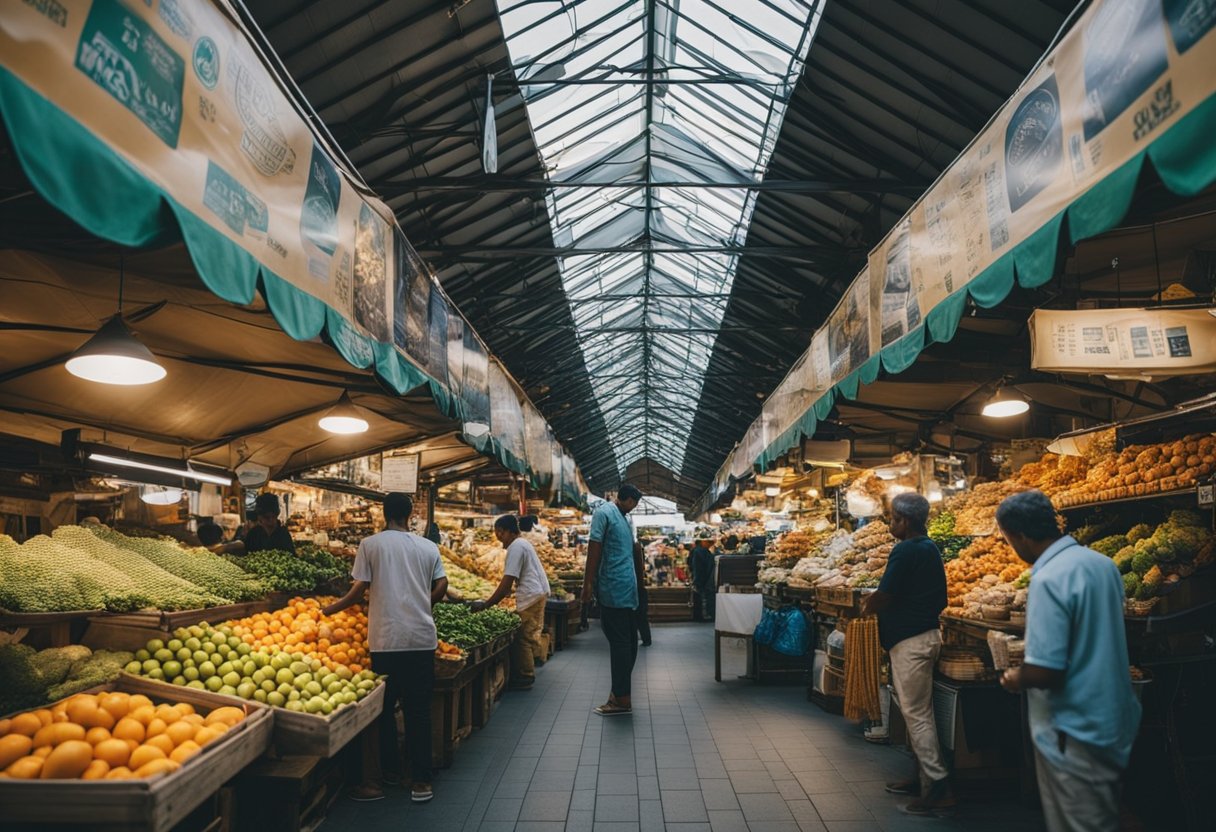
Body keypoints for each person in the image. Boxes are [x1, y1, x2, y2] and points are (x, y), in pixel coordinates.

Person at [996, 490, 1141, 832]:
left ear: (1019, 535)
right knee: (1103, 813)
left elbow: (1046, 669)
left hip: (1073, 727)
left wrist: (1015, 678)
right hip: (1114, 716)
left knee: (1080, 822)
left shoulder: (1049, 579)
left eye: (1007, 539)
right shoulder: (1101, 564)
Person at [323, 493, 448, 804]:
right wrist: (424, 602)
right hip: (421, 639)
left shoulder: (371, 545)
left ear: (384, 514)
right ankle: (421, 782)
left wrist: (329, 610)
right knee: (419, 711)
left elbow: (357, 591)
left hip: (386, 641)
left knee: (383, 712)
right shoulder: (428, 546)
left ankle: (387, 775)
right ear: (409, 515)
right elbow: (442, 584)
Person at [860, 493, 951, 815]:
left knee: (917, 715)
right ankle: (919, 775)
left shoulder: (905, 550)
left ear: (906, 521)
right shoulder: (928, 548)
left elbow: (886, 594)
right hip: (922, 636)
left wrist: (869, 604)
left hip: (911, 643)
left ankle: (937, 786)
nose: (890, 523)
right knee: (916, 712)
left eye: (893, 519)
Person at [581, 484, 643, 715]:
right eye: (632, 504)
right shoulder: (610, 514)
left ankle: (621, 699)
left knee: (621, 644)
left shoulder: (614, 516)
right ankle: (620, 694)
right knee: (627, 643)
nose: (632, 509)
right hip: (624, 588)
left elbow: (595, 547)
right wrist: (588, 583)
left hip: (616, 588)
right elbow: (594, 548)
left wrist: (588, 584)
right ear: (622, 498)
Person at [472, 515, 548, 690]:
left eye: (499, 533)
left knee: (522, 637)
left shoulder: (516, 547)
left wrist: (487, 604)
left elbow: (507, 582)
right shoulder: (522, 544)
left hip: (531, 595)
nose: (498, 537)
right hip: (535, 593)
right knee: (527, 635)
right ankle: (526, 671)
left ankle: (525, 677)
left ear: (507, 532)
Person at [689, 538, 715, 622]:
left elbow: (693, 566)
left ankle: (699, 616)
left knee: (699, 597)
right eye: (709, 542)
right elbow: (705, 567)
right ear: (703, 542)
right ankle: (703, 615)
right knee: (702, 597)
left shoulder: (697, 551)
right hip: (703, 578)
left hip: (700, 578)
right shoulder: (702, 552)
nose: (710, 545)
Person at [634, 541, 652, 647]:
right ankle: (646, 638)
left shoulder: (635, 549)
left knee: (640, 616)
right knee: (641, 617)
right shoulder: (637, 549)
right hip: (639, 588)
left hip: (637, 589)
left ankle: (646, 639)